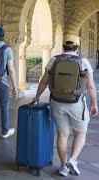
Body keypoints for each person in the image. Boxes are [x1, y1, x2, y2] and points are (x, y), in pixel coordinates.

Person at [32, 34, 98, 176]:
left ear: (63, 46)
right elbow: (91, 87)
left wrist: (37, 97)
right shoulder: (83, 62)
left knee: (62, 134)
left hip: (57, 102)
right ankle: (73, 159)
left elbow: (43, 81)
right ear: (77, 47)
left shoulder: (54, 60)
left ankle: (63, 166)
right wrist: (94, 104)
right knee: (80, 133)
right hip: (77, 103)